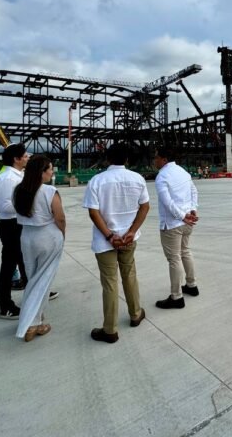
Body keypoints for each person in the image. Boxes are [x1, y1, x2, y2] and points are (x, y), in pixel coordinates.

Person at [82, 143, 149, 344]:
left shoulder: (97, 180)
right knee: (129, 275)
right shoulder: (137, 179)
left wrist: (110, 236)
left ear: (108, 158)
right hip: (129, 239)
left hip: (105, 242)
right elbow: (145, 207)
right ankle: (136, 313)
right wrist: (131, 231)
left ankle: (110, 329)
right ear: (127, 160)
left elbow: (93, 212)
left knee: (110, 282)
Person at [13, 155, 65, 342]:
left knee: (33, 278)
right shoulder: (50, 191)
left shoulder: (18, 190)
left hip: (27, 237)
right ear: (41, 172)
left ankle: (34, 317)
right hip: (47, 237)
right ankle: (33, 324)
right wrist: (63, 234)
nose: (52, 172)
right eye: (50, 169)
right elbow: (59, 217)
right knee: (42, 282)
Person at [152, 146, 199, 309]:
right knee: (185, 251)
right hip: (187, 222)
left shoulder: (162, 177)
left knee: (174, 259)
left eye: (156, 157)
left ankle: (177, 296)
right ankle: (192, 286)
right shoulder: (183, 172)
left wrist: (181, 216)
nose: (154, 160)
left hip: (172, 224)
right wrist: (192, 209)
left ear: (164, 159)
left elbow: (167, 202)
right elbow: (194, 190)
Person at [0, 143, 30, 319]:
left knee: (25, 262)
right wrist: (29, 205)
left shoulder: (17, 175)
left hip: (17, 224)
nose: (27, 157)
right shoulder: (9, 178)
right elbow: (7, 206)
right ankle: (6, 306)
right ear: (16, 159)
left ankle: (34, 292)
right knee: (8, 267)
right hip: (10, 226)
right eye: (24, 155)